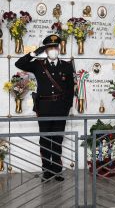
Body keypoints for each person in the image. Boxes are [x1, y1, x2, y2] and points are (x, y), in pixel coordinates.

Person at [15, 34, 75, 182]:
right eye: (50, 47)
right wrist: (35, 52)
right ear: (46, 50)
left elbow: (70, 89)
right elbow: (19, 63)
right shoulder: (38, 64)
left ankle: (57, 170)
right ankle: (47, 170)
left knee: (57, 140)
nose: (54, 50)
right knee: (45, 140)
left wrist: (66, 107)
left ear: (59, 48)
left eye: (56, 47)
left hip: (61, 109)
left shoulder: (66, 66)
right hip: (44, 108)